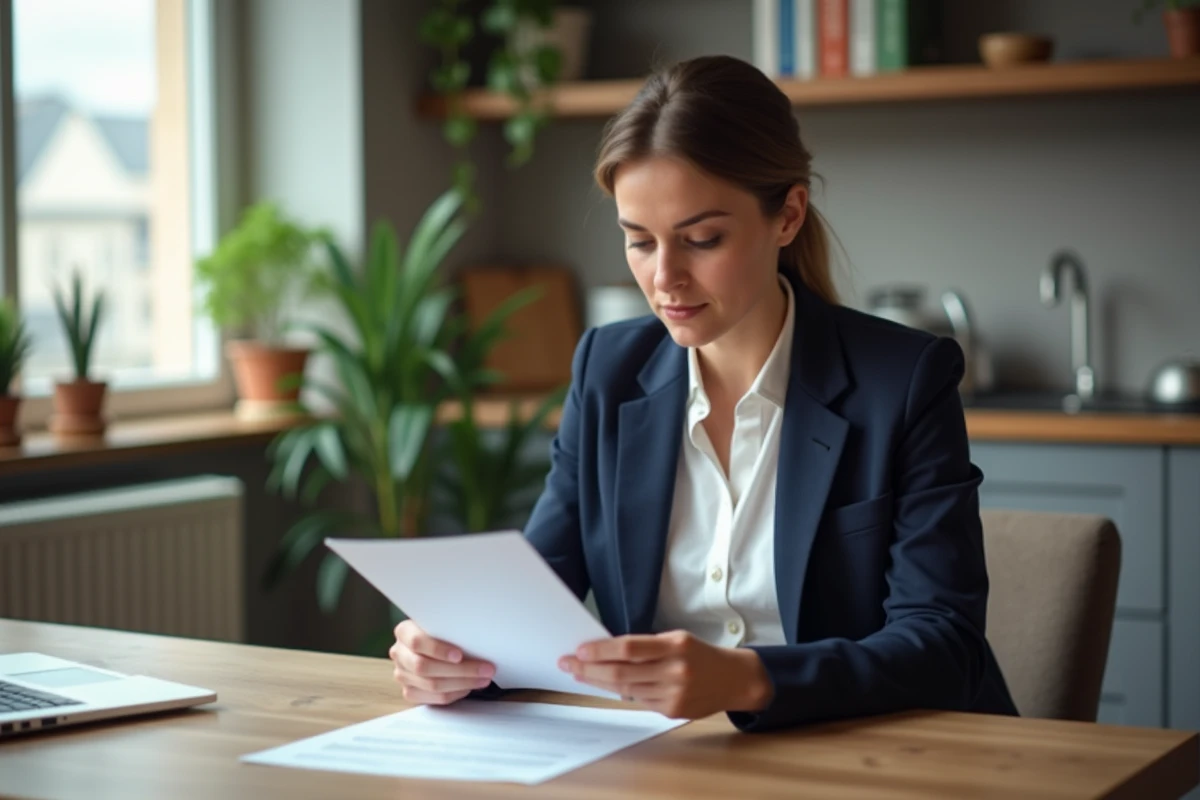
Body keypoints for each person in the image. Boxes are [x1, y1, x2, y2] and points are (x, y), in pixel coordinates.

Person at [389, 54, 1018, 732]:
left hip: (868, 758)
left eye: (702, 240)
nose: (665, 279)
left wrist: (751, 678)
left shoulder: (903, 381)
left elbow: (943, 644)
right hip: (670, 762)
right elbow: (535, 599)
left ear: (788, 216)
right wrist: (451, 653)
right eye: (639, 242)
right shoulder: (607, 369)